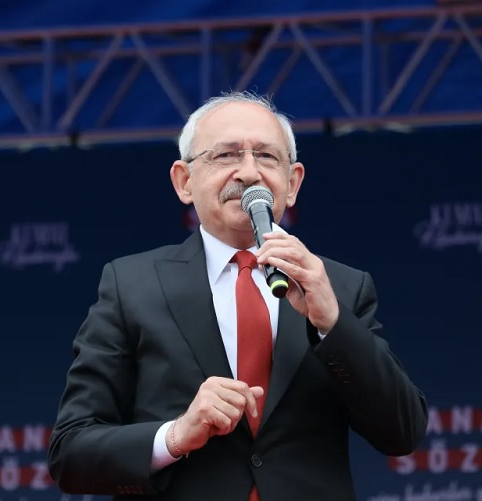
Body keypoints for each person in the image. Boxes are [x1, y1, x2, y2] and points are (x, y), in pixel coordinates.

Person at [48, 91, 428, 501]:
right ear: (184, 181)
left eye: (266, 157)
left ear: (293, 182)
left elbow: (402, 432)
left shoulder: (341, 287)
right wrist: (176, 435)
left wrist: (333, 323)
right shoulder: (130, 285)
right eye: (226, 156)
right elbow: (71, 453)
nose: (249, 173)